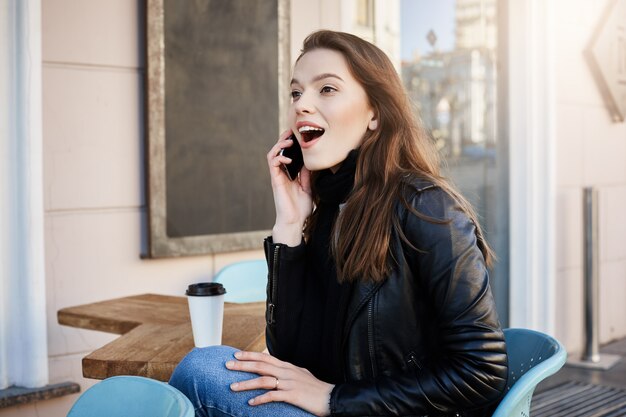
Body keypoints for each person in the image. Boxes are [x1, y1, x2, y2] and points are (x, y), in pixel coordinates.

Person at [170, 30, 508, 417]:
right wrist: (290, 226)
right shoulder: (330, 209)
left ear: (375, 114)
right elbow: (290, 356)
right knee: (206, 363)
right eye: (296, 93)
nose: (302, 106)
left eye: (326, 90)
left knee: (200, 371)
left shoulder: (427, 207)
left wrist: (334, 399)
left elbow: (483, 372)